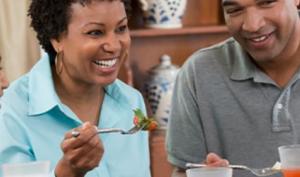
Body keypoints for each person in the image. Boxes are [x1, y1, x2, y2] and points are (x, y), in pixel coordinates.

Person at [0, 0, 151, 177]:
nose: (114, 46)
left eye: (121, 28)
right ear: (56, 38)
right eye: (95, 32)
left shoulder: (132, 102)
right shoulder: (11, 110)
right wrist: (67, 173)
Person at [166, 0, 300, 177]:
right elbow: (183, 172)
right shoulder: (198, 74)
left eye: (266, 3)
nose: (252, 25)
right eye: (234, 10)